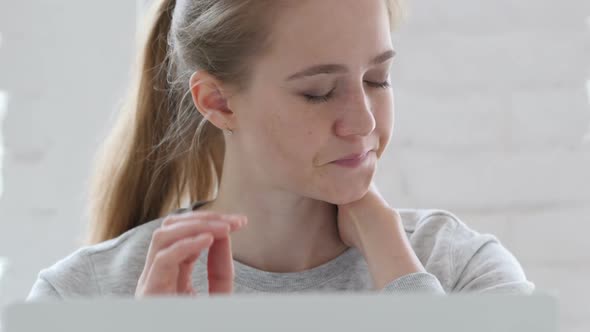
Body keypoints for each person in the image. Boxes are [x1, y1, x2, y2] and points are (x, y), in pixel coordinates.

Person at [26, 0, 534, 300]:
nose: (364, 121)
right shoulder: (78, 296)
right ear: (218, 102)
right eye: (318, 92)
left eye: (378, 78)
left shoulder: (460, 270)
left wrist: (397, 265)